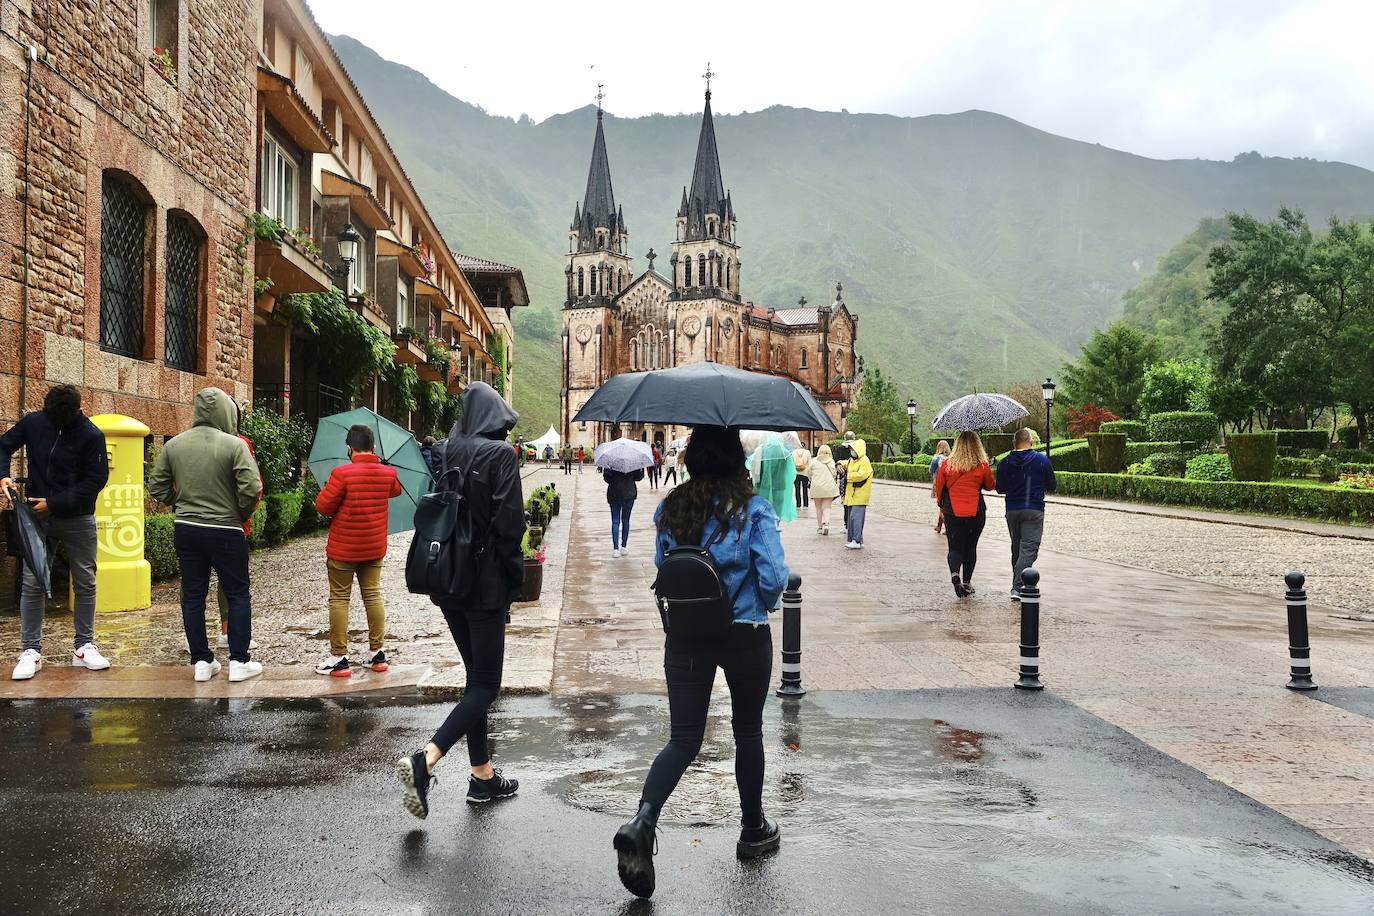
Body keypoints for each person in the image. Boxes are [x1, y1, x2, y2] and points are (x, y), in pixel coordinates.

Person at [613, 425, 788, 899]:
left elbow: (661, 566)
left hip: (686, 636)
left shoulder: (670, 507)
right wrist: (753, 599)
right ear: (736, 459)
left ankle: (643, 821)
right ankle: (753, 830)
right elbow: (772, 578)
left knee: (684, 738)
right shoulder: (753, 510)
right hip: (745, 633)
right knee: (747, 731)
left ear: (690, 460)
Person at [396, 382, 525, 818]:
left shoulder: (446, 451)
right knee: (486, 685)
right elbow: (510, 525)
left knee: (476, 682)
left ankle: (483, 777)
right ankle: (425, 759)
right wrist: (514, 578)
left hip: (447, 578)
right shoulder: (501, 456)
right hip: (485, 587)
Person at [148, 388, 263, 682]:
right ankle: (239, 660)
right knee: (237, 593)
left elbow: (157, 488)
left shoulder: (174, 445)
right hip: (226, 529)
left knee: (193, 594)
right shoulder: (235, 445)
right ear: (226, 412)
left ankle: (201, 660)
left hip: (186, 528)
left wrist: (183, 502)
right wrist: (240, 512)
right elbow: (252, 488)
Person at [0, 384, 111, 680]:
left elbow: (97, 480)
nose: (56, 423)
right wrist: (4, 475)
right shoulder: (36, 421)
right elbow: (4, 445)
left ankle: (84, 646)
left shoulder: (91, 435)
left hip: (77, 517)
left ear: (78, 411)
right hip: (37, 517)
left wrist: (55, 503)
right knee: (33, 581)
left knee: (85, 581)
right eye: (52, 417)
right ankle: (31, 651)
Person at [313, 423, 401, 677]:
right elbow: (394, 491)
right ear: (373, 447)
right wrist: (380, 466)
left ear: (349, 449)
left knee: (340, 599)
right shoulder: (388, 473)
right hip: (374, 547)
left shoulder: (341, 473)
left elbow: (323, 506)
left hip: (343, 549)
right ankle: (377, 654)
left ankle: (339, 658)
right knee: (373, 595)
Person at [932, 431, 996, 598]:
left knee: (955, 546)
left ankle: (955, 574)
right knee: (970, 547)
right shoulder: (982, 465)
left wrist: (942, 506)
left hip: (953, 511)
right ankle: (967, 582)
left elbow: (939, 488)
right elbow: (990, 486)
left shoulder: (947, 465)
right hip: (975, 513)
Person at [996, 428, 1057, 601]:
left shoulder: (1004, 463)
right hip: (1033, 508)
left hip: (1013, 509)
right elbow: (1052, 485)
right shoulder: (1041, 460)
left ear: (1014, 443)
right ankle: (1017, 587)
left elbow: (1000, 488)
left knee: (1017, 547)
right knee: (1029, 548)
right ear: (1030, 442)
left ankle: (1018, 579)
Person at [752, 434, 798, 523]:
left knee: (763, 510)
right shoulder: (785, 453)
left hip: (763, 486)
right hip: (780, 486)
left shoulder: (761, 450)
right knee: (777, 512)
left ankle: (766, 528)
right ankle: (775, 527)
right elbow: (791, 472)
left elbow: (754, 469)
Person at [604, 463, 645, 558]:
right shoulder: (632, 461)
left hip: (614, 493)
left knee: (615, 521)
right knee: (626, 520)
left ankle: (615, 549)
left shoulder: (611, 461)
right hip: (629, 493)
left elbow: (607, 479)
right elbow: (639, 477)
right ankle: (624, 546)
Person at [842, 437, 873, 549]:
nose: (851, 451)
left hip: (860, 495)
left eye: (853, 449)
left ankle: (856, 540)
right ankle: (854, 540)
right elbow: (847, 464)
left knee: (856, 518)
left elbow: (861, 475)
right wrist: (839, 463)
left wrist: (848, 477)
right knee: (852, 519)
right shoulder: (853, 460)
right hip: (852, 495)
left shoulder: (865, 461)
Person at [806, 445, 839, 536]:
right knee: (827, 507)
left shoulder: (813, 461)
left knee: (818, 508)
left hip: (816, 487)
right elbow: (834, 474)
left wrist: (812, 480)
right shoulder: (831, 462)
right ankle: (826, 524)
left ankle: (820, 527)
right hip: (829, 487)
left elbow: (809, 474)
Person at [929, 440, 951, 535]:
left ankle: (946, 528)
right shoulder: (951, 458)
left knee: (941, 505)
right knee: (944, 505)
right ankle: (939, 526)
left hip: (938, 483)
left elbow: (931, 470)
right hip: (949, 484)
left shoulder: (936, 458)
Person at [792, 444, 812, 515]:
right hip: (805, 473)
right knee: (805, 489)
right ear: (804, 446)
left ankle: (798, 504)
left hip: (796, 473)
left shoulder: (793, 453)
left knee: (797, 489)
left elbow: (791, 463)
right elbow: (810, 463)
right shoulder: (807, 452)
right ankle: (805, 504)